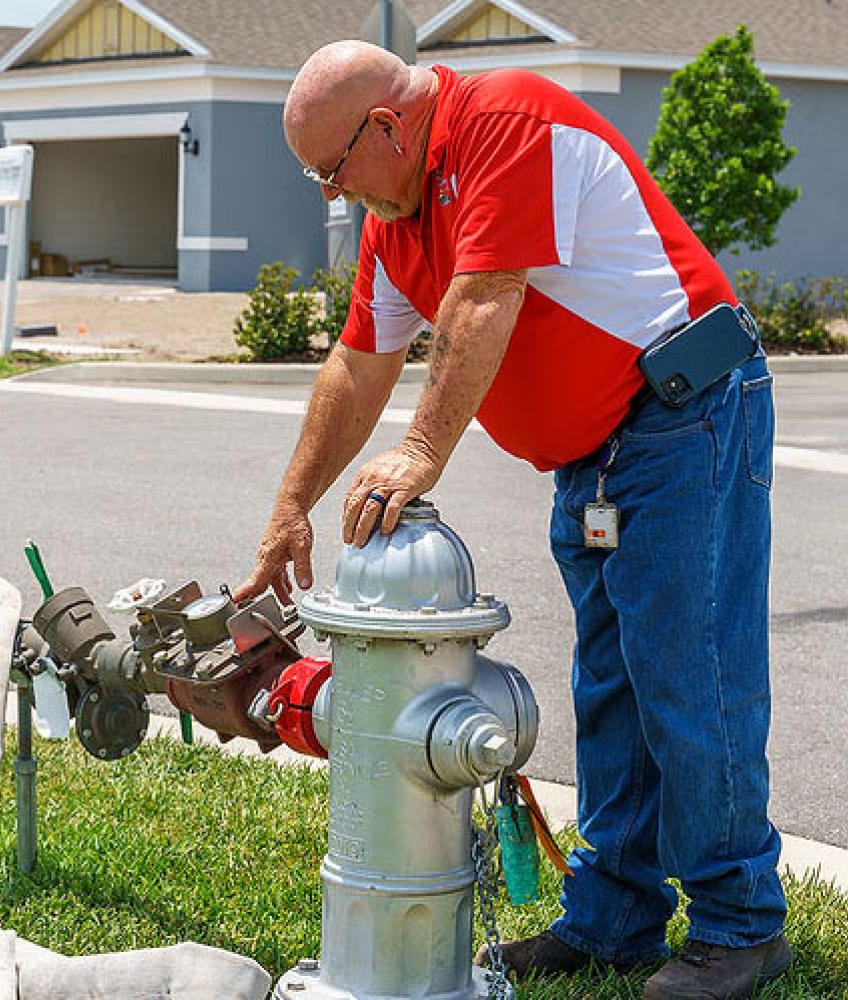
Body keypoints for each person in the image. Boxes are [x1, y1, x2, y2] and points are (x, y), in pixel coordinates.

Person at [233, 39, 790, 1000]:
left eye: (333, 171)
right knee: (612, 684)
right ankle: (614, 918)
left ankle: (740, 925)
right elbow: (357, 363)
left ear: (386, 125)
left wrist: (421, 450)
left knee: (692, 676)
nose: (335, 195)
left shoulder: (504, 120)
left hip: (686, 414)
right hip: (601, 456)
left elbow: (486, 295)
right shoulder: (396, 220)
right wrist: (292, 507)